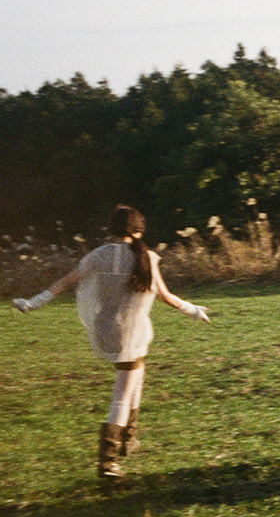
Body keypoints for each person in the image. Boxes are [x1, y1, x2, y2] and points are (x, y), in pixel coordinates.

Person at [11, 204, 211, 479]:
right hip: (131, 331)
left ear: (112, 228)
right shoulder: (147, 257)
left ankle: (130, 436)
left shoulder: (98, 255)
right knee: (121, 394)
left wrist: (34, 302)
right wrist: (192, 310)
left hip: (107, 329)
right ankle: (108, 462)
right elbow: (165, 296)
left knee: (137, 372)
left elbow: (67, 282)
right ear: (138, 229)